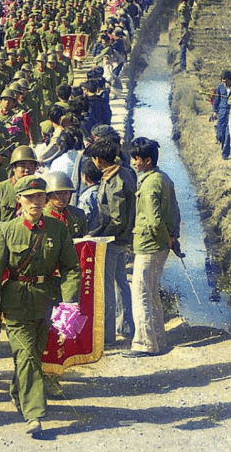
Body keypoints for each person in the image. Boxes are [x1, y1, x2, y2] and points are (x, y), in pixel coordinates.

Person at [0, 175, 81, 436]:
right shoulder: (8, 230)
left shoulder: (58, 230)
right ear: (19, 200)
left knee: (33, 355)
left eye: (39, 197)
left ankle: (18, 391)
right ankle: (34, 413)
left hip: (47, 299)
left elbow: (71, 267)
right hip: (15, 301)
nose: (35, 202)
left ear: (46, 199)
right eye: (29, 197)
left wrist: (70, 303)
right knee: (26, 356)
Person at [125, 137, 180, 357]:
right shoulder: (163, 178)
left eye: (136, 159)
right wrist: (173, 237)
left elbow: (154, 220)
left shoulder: (149, 184)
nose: (133, 163)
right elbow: (175, 210)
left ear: (148, 160)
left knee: (141, 295)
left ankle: (144, 343)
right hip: (160, 245)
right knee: (152, 292)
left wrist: (165, 237)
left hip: (149, 245)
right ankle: (158, 338)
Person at [85, 138, 136, 344]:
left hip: (113, 240)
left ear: (98, 160)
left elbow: (116, 219)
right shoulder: (121, 172)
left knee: (107, 287)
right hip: (120, 238)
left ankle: (106, 336)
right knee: (121, 282)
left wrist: (96, 235)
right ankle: (124, 326)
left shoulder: (116, 183)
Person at [212, 71, 231, 160]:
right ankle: (222, 144)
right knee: (220, 132)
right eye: (223, 81)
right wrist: (215, 111)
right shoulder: (220, 88)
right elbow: (216, 99)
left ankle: (225, 153)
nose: (224, 83)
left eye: (225, 81)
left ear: (229, 79)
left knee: (228, 133)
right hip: (222, 111)